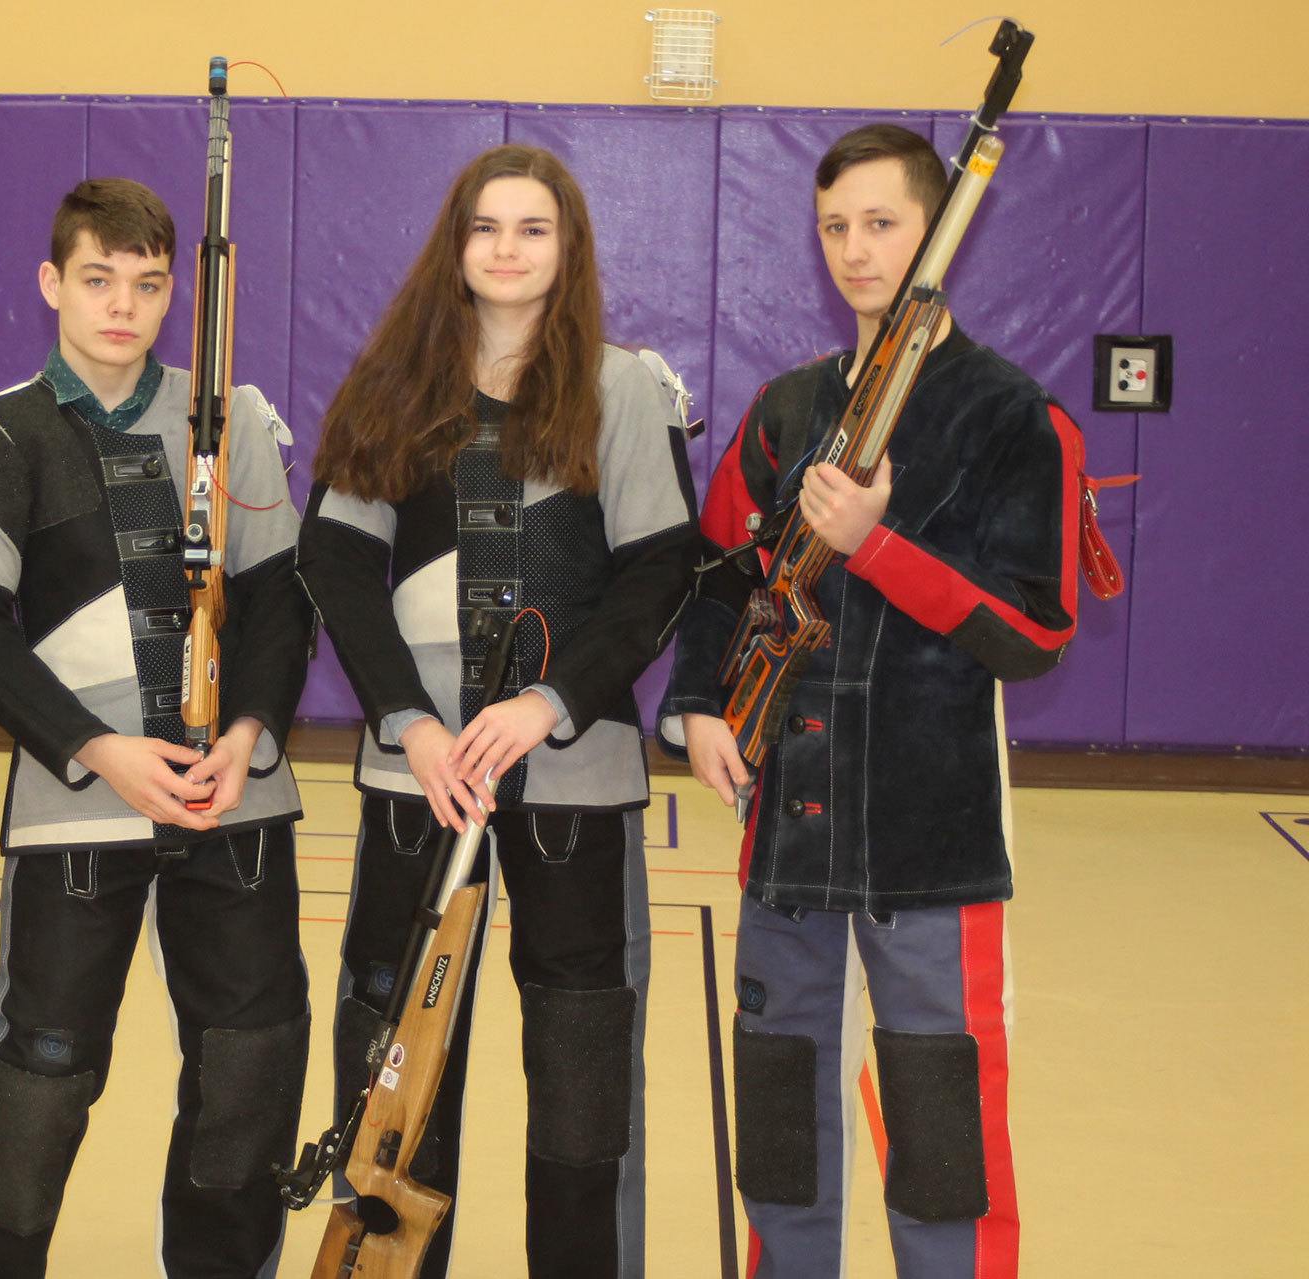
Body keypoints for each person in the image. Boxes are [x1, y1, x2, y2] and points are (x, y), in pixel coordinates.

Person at [661, 123, 1084, 1278]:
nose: (855, 251)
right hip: (785, 824)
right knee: (780, 1118)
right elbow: (717, 574)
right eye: (834, 226)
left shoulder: (1011, 417)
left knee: (942, 1134)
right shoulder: (787, 409)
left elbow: (1036, 635)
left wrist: (875, 546)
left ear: (935, 233)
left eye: (881, 224)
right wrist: (699, 702)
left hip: (930, 835)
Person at [297, 143, 700, 1278]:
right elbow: (332, 563)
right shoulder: (391, 386)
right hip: (417, 786)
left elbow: (659, 572)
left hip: (573, 780)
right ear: (453, 246)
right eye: (485, 227)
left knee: (580, 1081)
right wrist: (409, 723)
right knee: (400, 1071)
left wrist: (549, 702)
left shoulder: (622, 391)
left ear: (566, 250)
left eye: (533, 228)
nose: (507, 249)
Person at [0, 178, 311, 1279]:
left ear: (174, 291)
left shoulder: (228, 421)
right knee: (38, 1079)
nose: (121, 307)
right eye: (96, 280)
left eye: (146, 285)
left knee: (247, 1065)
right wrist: (96, 748)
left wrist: (250, 731)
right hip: (76, 811)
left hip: (232, 803)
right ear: (52, 283)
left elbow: (282, 603)